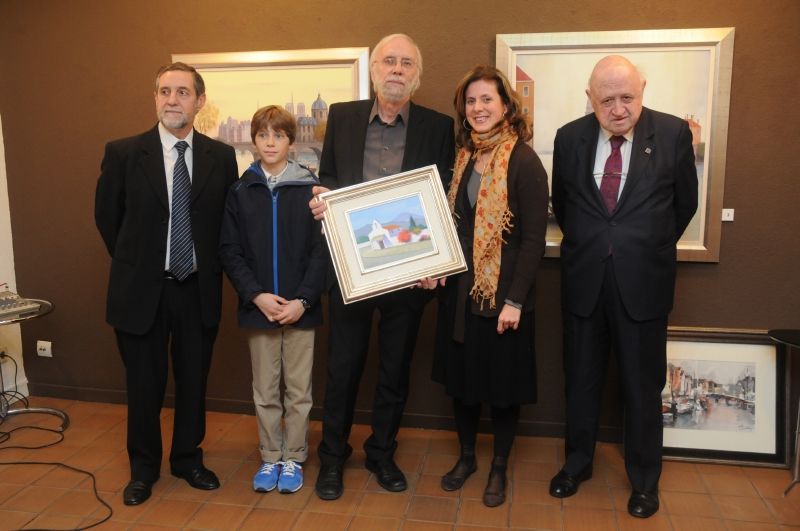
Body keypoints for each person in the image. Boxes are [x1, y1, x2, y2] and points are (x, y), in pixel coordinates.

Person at [549, 55, 698, 518]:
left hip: (643, 283)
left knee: (641, 386)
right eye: (606, 100)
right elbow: (564, 205)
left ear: (643, 90)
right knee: (581, 380)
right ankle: (577, 465)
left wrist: (641, 246)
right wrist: (598, 243)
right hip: (585, 281)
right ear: (590, 99)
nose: (618, 109)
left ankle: (645, 481)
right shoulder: (569, 138)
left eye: (627, 97)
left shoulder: (672, 134)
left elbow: (685, 205)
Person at [308, 33, 455, 500]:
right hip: (351, 270)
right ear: (374, 70)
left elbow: (442, 197)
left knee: (394, 370)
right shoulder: (343, 116)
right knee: (342, 369)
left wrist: (436, 259)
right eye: (388, 61)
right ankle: (333, 457)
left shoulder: (438, 126)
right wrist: (322, 199)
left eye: (406, 63)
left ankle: (381, 453)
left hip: (408, 274)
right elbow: (330, 177)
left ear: (417, 75)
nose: (396, 69)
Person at [94, 62, 238, 505]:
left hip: (196, 289)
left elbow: (227, 224)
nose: (172, 100)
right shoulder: (123, 153)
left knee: (193, 381)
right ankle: (143, 469)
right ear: (155, 97)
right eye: (164, 91)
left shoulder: (221, 157)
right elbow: (108, 219)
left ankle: (188, 460)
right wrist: (142, 263)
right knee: (143, 386)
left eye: (182, 92)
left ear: (200, 101)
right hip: (141, 291)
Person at [422, 65, 548, 507]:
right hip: (460, 294)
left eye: (487, 100)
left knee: (502, 390)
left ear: (506, 105)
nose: (478, 108)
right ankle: (467, 459)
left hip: (503, 299)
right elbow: (453, 227)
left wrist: (515, 300)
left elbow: (533, 241)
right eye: (471, 101)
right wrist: (436, 266)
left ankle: (498, 467)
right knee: (464, 383)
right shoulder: (463, 158)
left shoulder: (524, 161)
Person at [219, 106, 327, 494]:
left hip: (301, 310)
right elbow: (229, 250)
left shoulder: (310, 190)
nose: (270, 142)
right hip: (259, 309)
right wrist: (256, 295)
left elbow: (322, 251)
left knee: (298, 391)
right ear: (254, 140)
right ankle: (270, 456)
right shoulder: (240, 191)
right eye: (263, 135)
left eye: (278, 135)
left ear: (290, 141)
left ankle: (293, 457)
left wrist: (304, 300)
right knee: (265, 391)